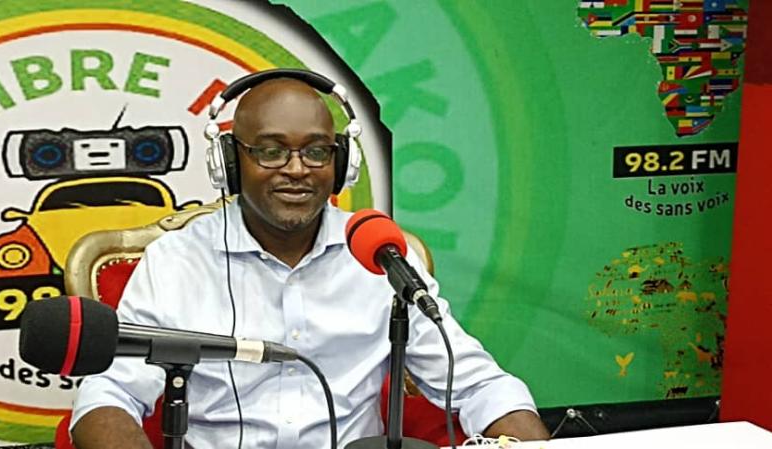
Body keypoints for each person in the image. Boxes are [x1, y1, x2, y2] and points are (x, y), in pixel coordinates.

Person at [69, 77, 550, 449]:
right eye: (271, 151)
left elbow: (479, 385)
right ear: (230, 162)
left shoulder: (381, 258)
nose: (297, 169)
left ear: (342, 163)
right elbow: (110, 395)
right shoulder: (177, 261)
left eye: (317, 151)